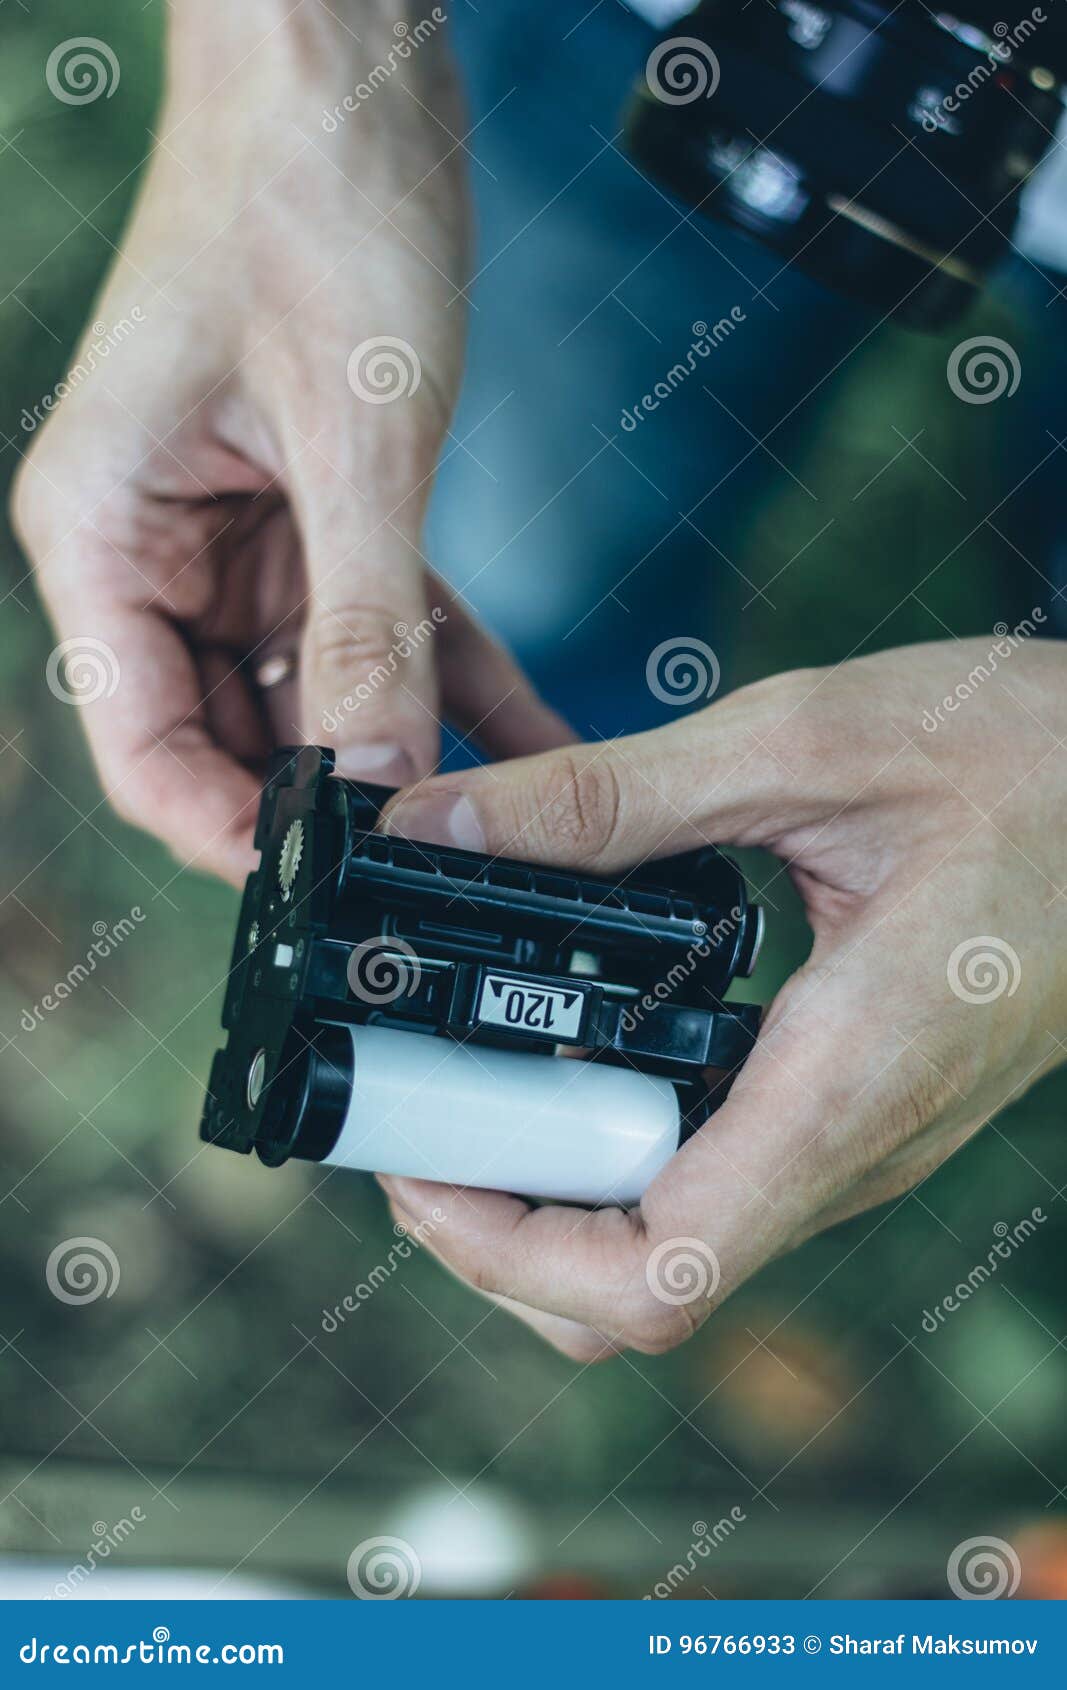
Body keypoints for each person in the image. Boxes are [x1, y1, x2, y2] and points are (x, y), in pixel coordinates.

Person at [13, 1, 1067, 1361]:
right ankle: (564, 950)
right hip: (651, 47)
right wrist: (291, 55)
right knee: (516, 560)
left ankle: (607, 958)